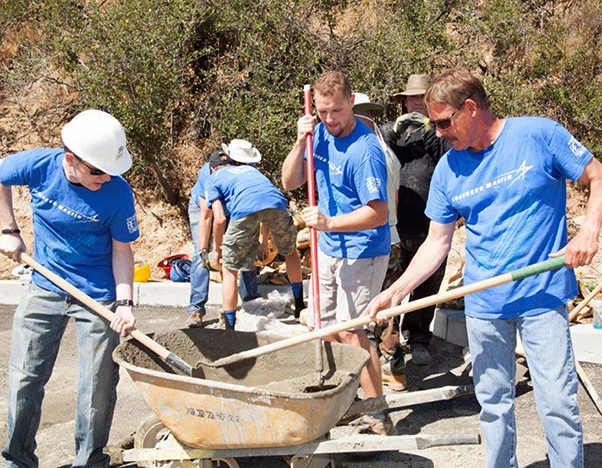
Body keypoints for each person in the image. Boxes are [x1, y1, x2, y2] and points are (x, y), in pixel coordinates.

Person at [366, 68, 602, 467]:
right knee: (493, 405)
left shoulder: (538, 135)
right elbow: (436, 243)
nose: (438, 132)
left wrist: (589, 231)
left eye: (443, 121)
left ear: (471, 108)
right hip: (482, 303)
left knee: (557, 404)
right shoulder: (448, 170)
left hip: (541, 296)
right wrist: (396, 290)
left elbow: (596, 174)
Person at [0, 109, 139, 467]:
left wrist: (124, 302)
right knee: (24, 378)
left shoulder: (118, 193)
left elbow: (123, 250)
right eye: (96, 170)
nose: (105, 177)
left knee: (97, 385)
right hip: (44, 285)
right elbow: (1, 176)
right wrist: (9, 229)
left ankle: (88, 461)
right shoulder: (39, 166)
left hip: (98, 294)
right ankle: (17, 460)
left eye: (111, 170)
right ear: (70, 160)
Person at [282, 71, 391, 434]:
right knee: (324, 328)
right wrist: (300, 142)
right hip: (327, 248)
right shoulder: (318, 136)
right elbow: (289, 181)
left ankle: (377, 411)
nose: (330, 119)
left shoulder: (365, 150)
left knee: (352, 333)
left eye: (337, 111)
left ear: (351, 104)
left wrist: (329, 222)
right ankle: (346, 399)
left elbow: (378, 213)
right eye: (323, 111)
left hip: (362, 251)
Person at [205, 141, 305, 329]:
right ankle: (300, 305)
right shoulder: (254, 172)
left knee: (229, 269)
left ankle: (229, 326)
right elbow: (265, 210)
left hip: (244, 210)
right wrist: (264, 243)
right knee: (290, 251)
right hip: (276, 204)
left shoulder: (213, 179)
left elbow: (218, 219)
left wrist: (216, 250)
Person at [352, 93, 406, 391]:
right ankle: (393, 369)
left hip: (375, 240)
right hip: (393, 235)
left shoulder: (367, 152)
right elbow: (394, 198)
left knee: (371, 311)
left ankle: (371, 376)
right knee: (389, 309)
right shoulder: (388, 153)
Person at [186, 147, 263, 328]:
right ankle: (195, 309)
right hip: (203, 209)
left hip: (230, 209)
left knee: (244, 246)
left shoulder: (246, 170)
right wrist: (210, 249)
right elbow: (208, 216)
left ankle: (251, 298)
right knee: (200, 256)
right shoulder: (207, 175)